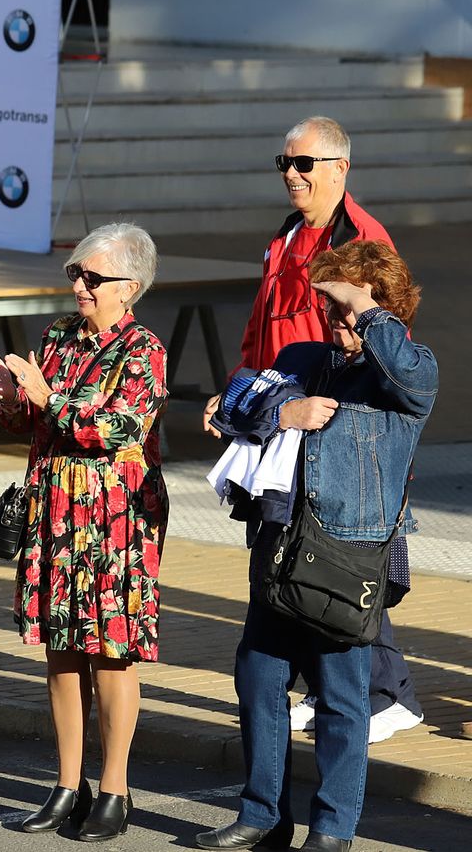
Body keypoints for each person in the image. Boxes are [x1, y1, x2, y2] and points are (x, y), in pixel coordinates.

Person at [197, 240, 436, 852]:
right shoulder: (303, 357)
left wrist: (365, 307)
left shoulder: (406, 372)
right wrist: (286, 414)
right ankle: (262, 816)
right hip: (280, 543)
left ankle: (332, 830)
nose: (337, 317)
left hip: (347, 556)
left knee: (341, 697)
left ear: (385, 309)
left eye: (349, 306)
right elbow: (236, 404)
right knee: (258, 680)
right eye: (331, 305)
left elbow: (408, 374)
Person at [205, 116, 421, 746]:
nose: (292, 174)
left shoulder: (362, 241)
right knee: (290, 558)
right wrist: (238, 393)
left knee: (337, 563)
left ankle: (387, 694)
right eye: (285, 163)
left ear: (339, 168)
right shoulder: (287, 235)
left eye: (304, 163)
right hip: (281, 425)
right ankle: (323, 688)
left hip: (334, 430)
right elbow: (260, 326)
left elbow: (389, 344)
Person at [0, 223, 169, 842]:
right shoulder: (58, 336)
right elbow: (31, 422)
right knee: (62, 649)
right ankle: (67, 785)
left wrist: (45, 397)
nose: (80, 284)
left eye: (94, 277)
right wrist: (10, 397)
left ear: (129, 287)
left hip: (116, 518)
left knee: (111, 652)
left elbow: (114, 430)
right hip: (55, 511)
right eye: (76, 273)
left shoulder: (144, 349)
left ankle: (115, 790)